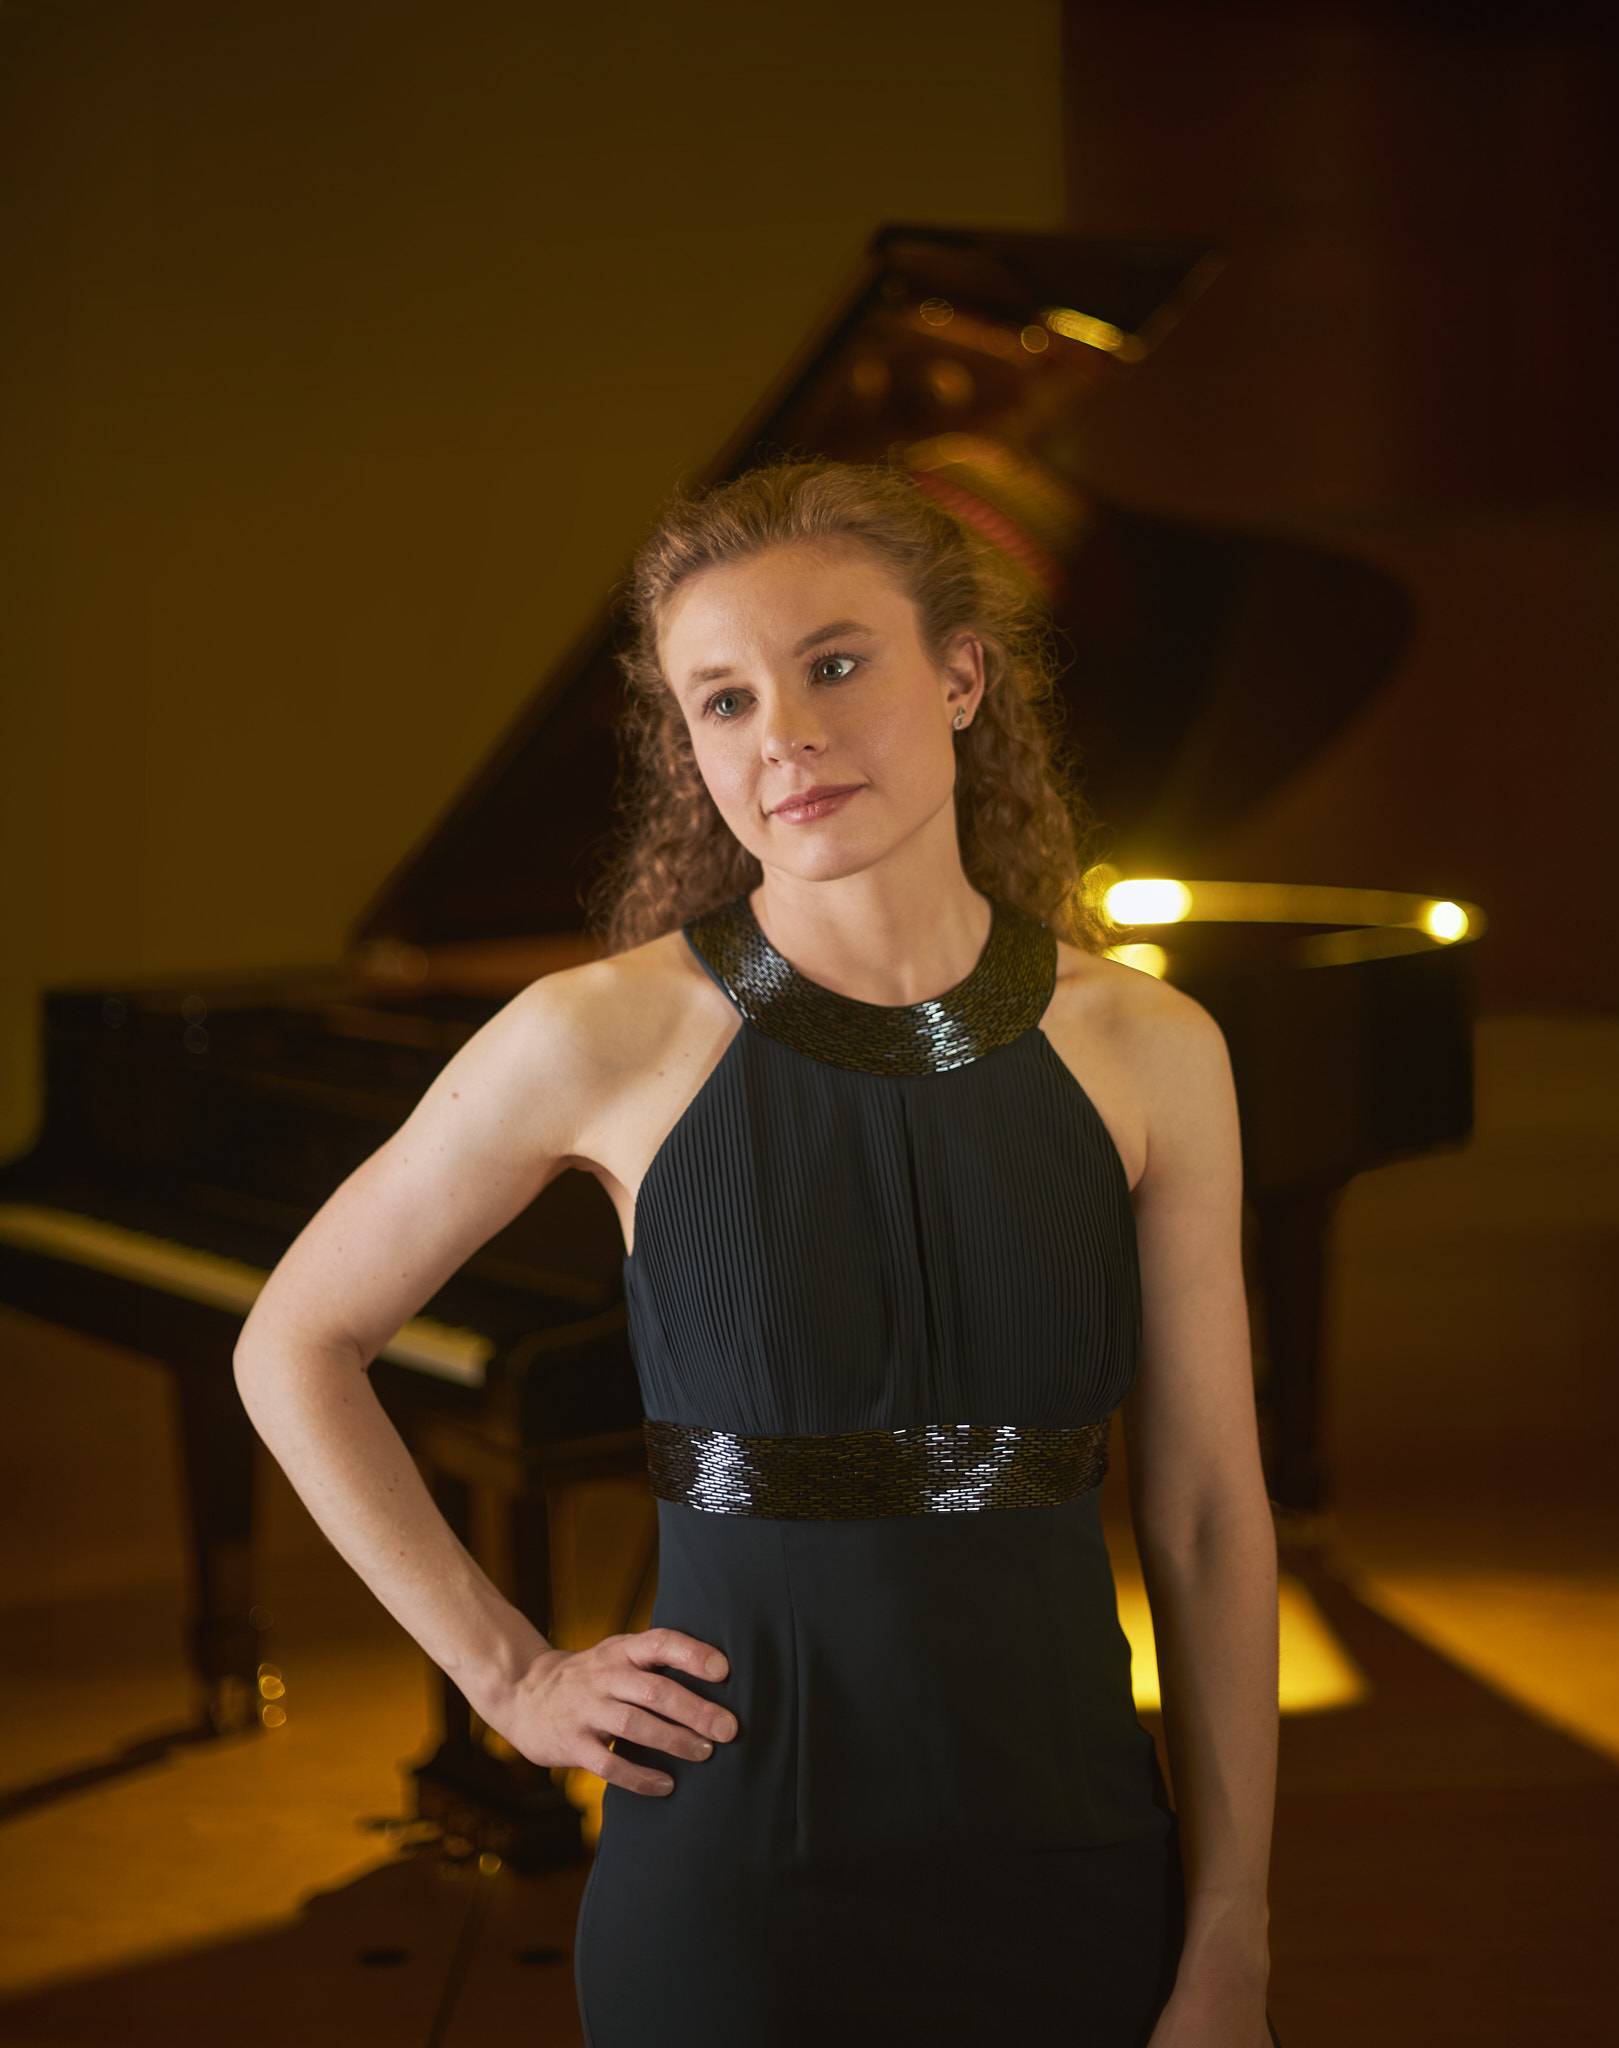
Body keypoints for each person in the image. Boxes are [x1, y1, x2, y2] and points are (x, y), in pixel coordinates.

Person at [233, 455, 1283, 2046]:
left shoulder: (1154, 1048)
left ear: (960, 676)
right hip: (734, 1884)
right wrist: (508, 1677)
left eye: (834, 665)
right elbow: (293, 1344)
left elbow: (1205, 1517)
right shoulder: (597, 1035)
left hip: (1076, 1861)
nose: (781, 732)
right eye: (722, 700)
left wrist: (1230, 1939)